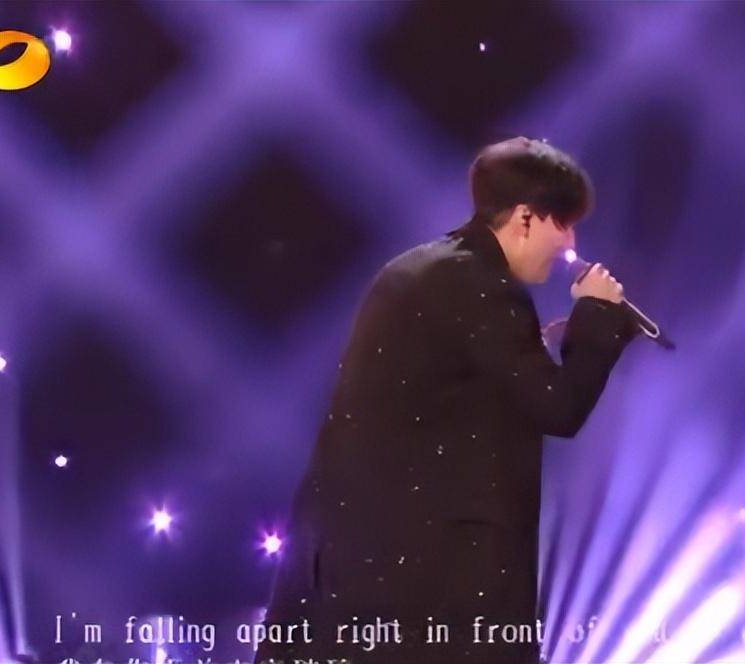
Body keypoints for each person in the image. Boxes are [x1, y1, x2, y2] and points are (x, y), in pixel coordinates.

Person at [255, 137, 637, 664]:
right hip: (431, 595)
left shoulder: (423, 270)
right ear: (525, 217)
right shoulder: (484, 287)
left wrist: (547, 344)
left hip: (357, 577)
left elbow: (456, 396)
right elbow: (559, 407)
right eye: (563, 223)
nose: (569, 243)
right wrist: (599, 318)